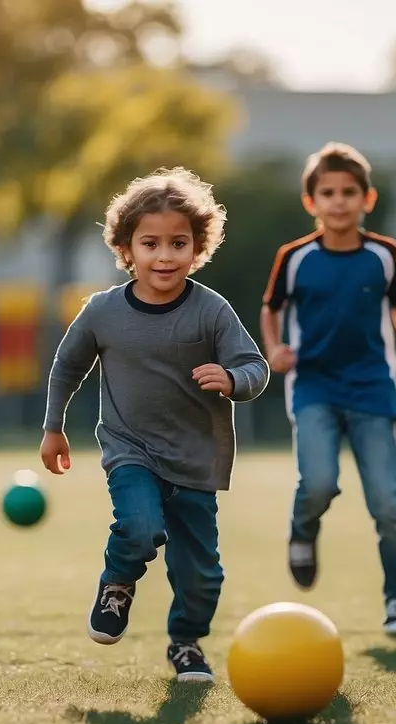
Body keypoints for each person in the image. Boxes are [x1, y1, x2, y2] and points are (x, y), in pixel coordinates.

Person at [40, 167, 269, 682]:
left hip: (195, 460)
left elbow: (257, 368)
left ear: (197, 247)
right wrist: (54, 426)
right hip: (131, 451)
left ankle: (185, 644)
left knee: (201, 576)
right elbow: (66, 367)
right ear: (126, 248)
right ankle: (118, 581)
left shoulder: (212, 311)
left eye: (178, 243)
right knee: (139, 529)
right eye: (150, 243)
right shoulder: (102, 311)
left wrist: (232, 379)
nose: (165, 256)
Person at [260, 142, 396, 635]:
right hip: (313, 388)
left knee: (387, 502)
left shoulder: (386, 257)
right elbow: (271, 309)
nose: (338, 201)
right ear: (310, 202)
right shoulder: (294, 258)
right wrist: (274, 348)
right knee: (318, 482)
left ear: (368, 198)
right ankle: (303, 529)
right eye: (328, 193)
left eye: (348, 192)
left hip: (373, 390)